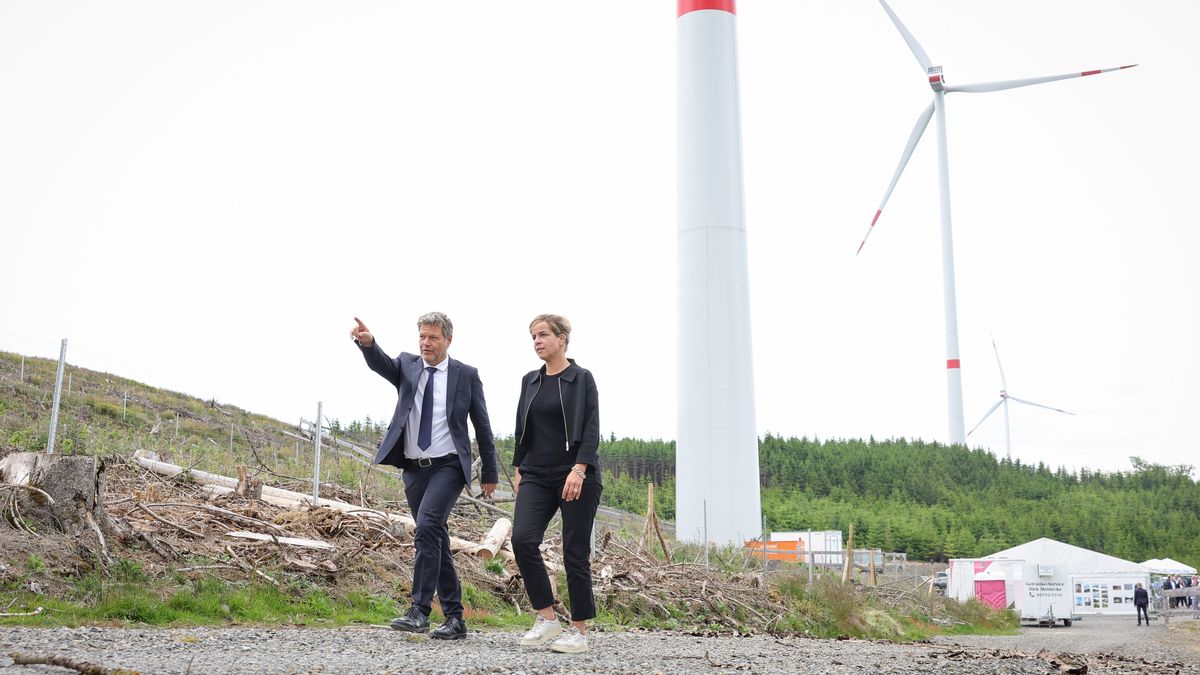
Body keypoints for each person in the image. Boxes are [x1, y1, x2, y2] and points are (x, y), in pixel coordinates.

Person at [351, 313, 498, 640]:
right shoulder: (408, 365)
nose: (426, 343)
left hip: (448, 466)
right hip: (414, 468)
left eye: (432, 338)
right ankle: (456, 618)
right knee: (436, 537)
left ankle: (419, 611)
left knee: (428, 526)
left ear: (448, 340)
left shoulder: (466, 376)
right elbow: (383, 365)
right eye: (422, 337)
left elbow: (483, 427)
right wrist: (368, 345)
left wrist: (489, 470)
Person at [510, 314, 601, 654]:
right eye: (533, 336)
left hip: (574, 473)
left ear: (562, 338)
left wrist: (580, 468)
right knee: (522, 539)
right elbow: (522, 427)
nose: (537, 341)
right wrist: (519, 467)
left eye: (543, 334)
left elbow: (591, 427)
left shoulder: (581, 379)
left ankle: (578, 632)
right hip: (535, 472)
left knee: (574, 552)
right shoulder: (530, 381)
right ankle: (547, 618)